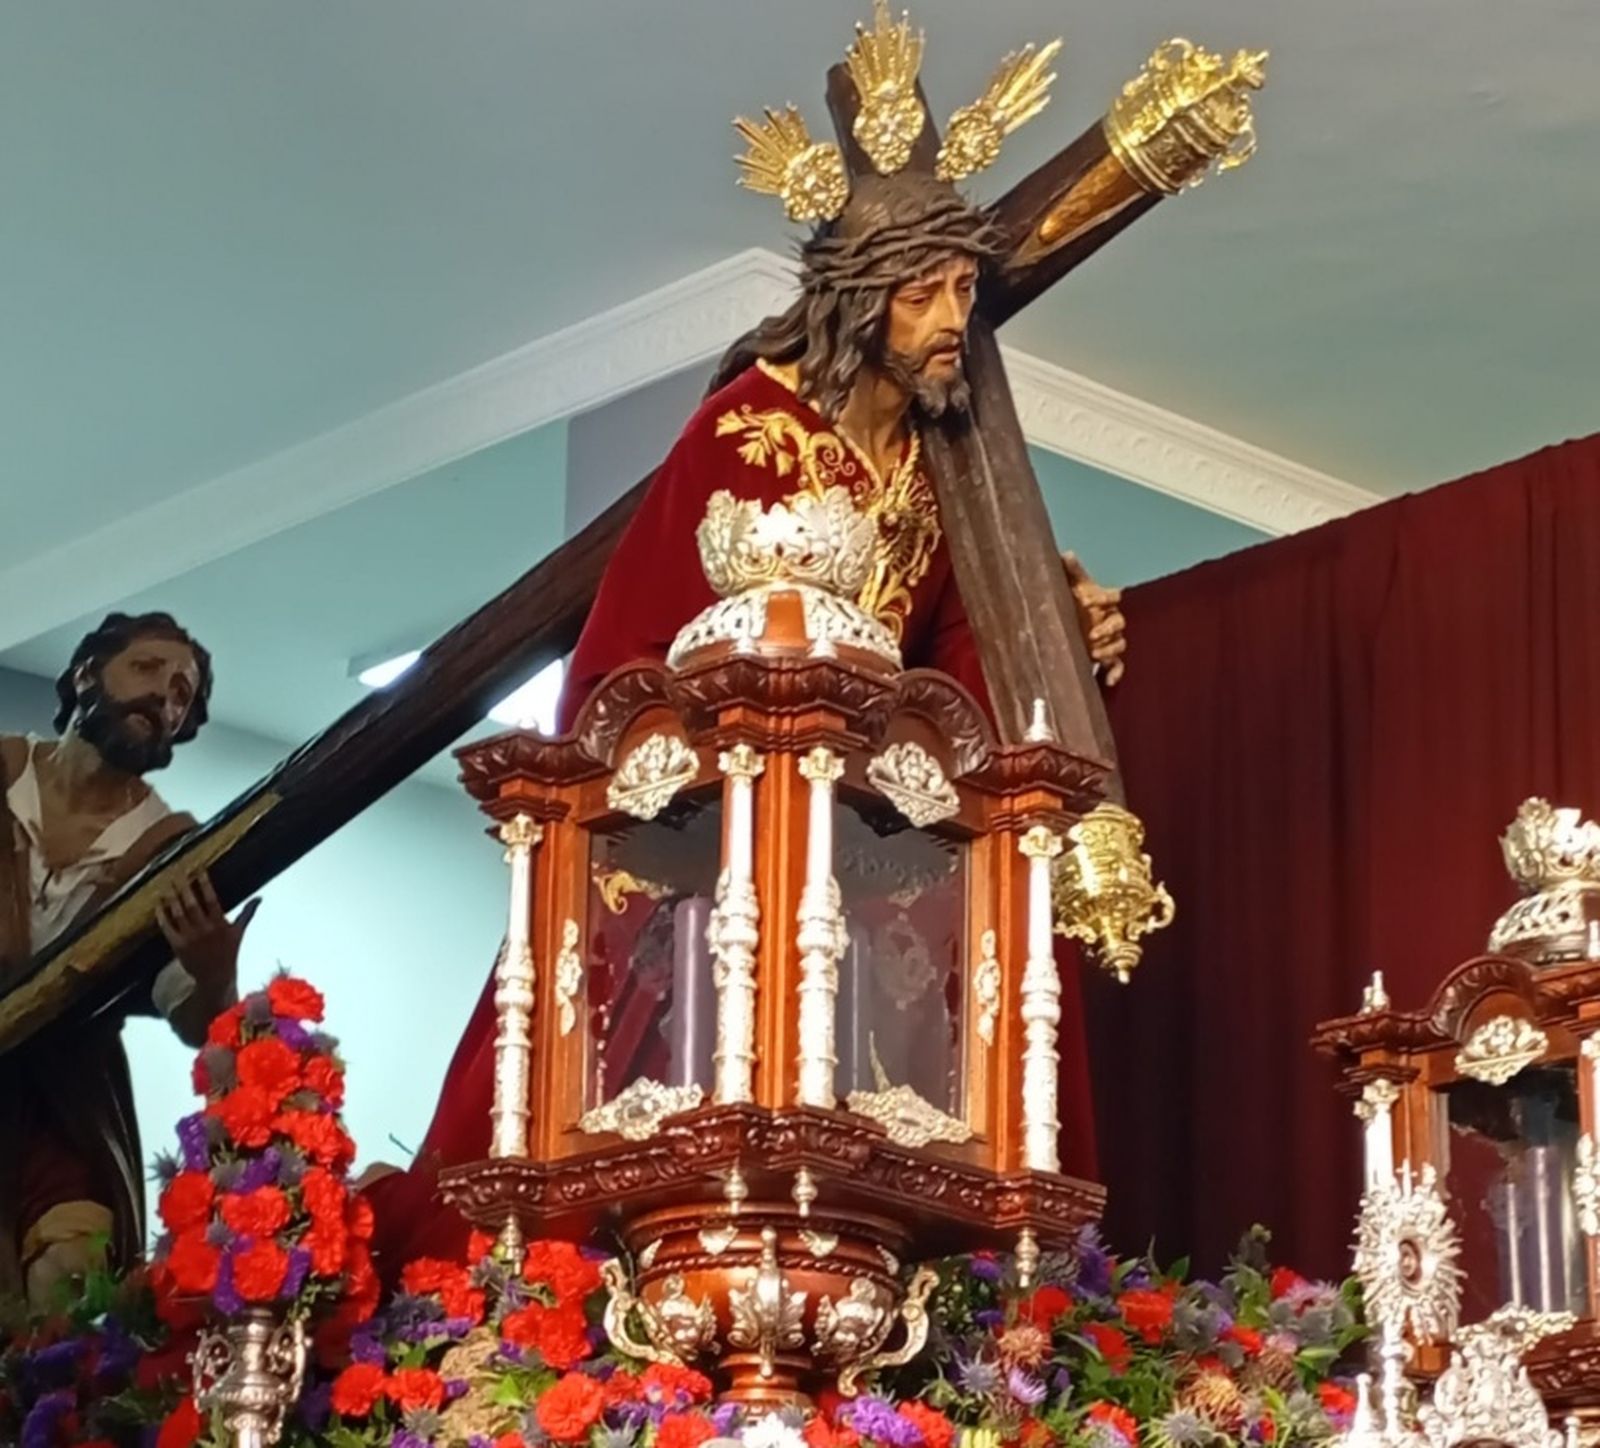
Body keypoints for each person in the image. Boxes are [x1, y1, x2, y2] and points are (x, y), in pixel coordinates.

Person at [365, 166, 1128, 1276]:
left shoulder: (937, 470)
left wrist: (1058, 645)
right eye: (922, 294)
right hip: (722, 826)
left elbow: (961, 666)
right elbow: (624, 660)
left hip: (869, 832)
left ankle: (971, 1271)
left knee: (983, 966)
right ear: (859, 299)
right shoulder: (746, 428)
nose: (952, 323)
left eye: (964, 291)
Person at [0, 612, 257, 1306]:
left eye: (180, 693)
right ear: (87, 673)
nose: (162, 697)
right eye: (146, 669)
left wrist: (212, 971)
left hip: (65, 1090)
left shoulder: (174, 848)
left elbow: (193, 1016)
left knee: (70, 1273)